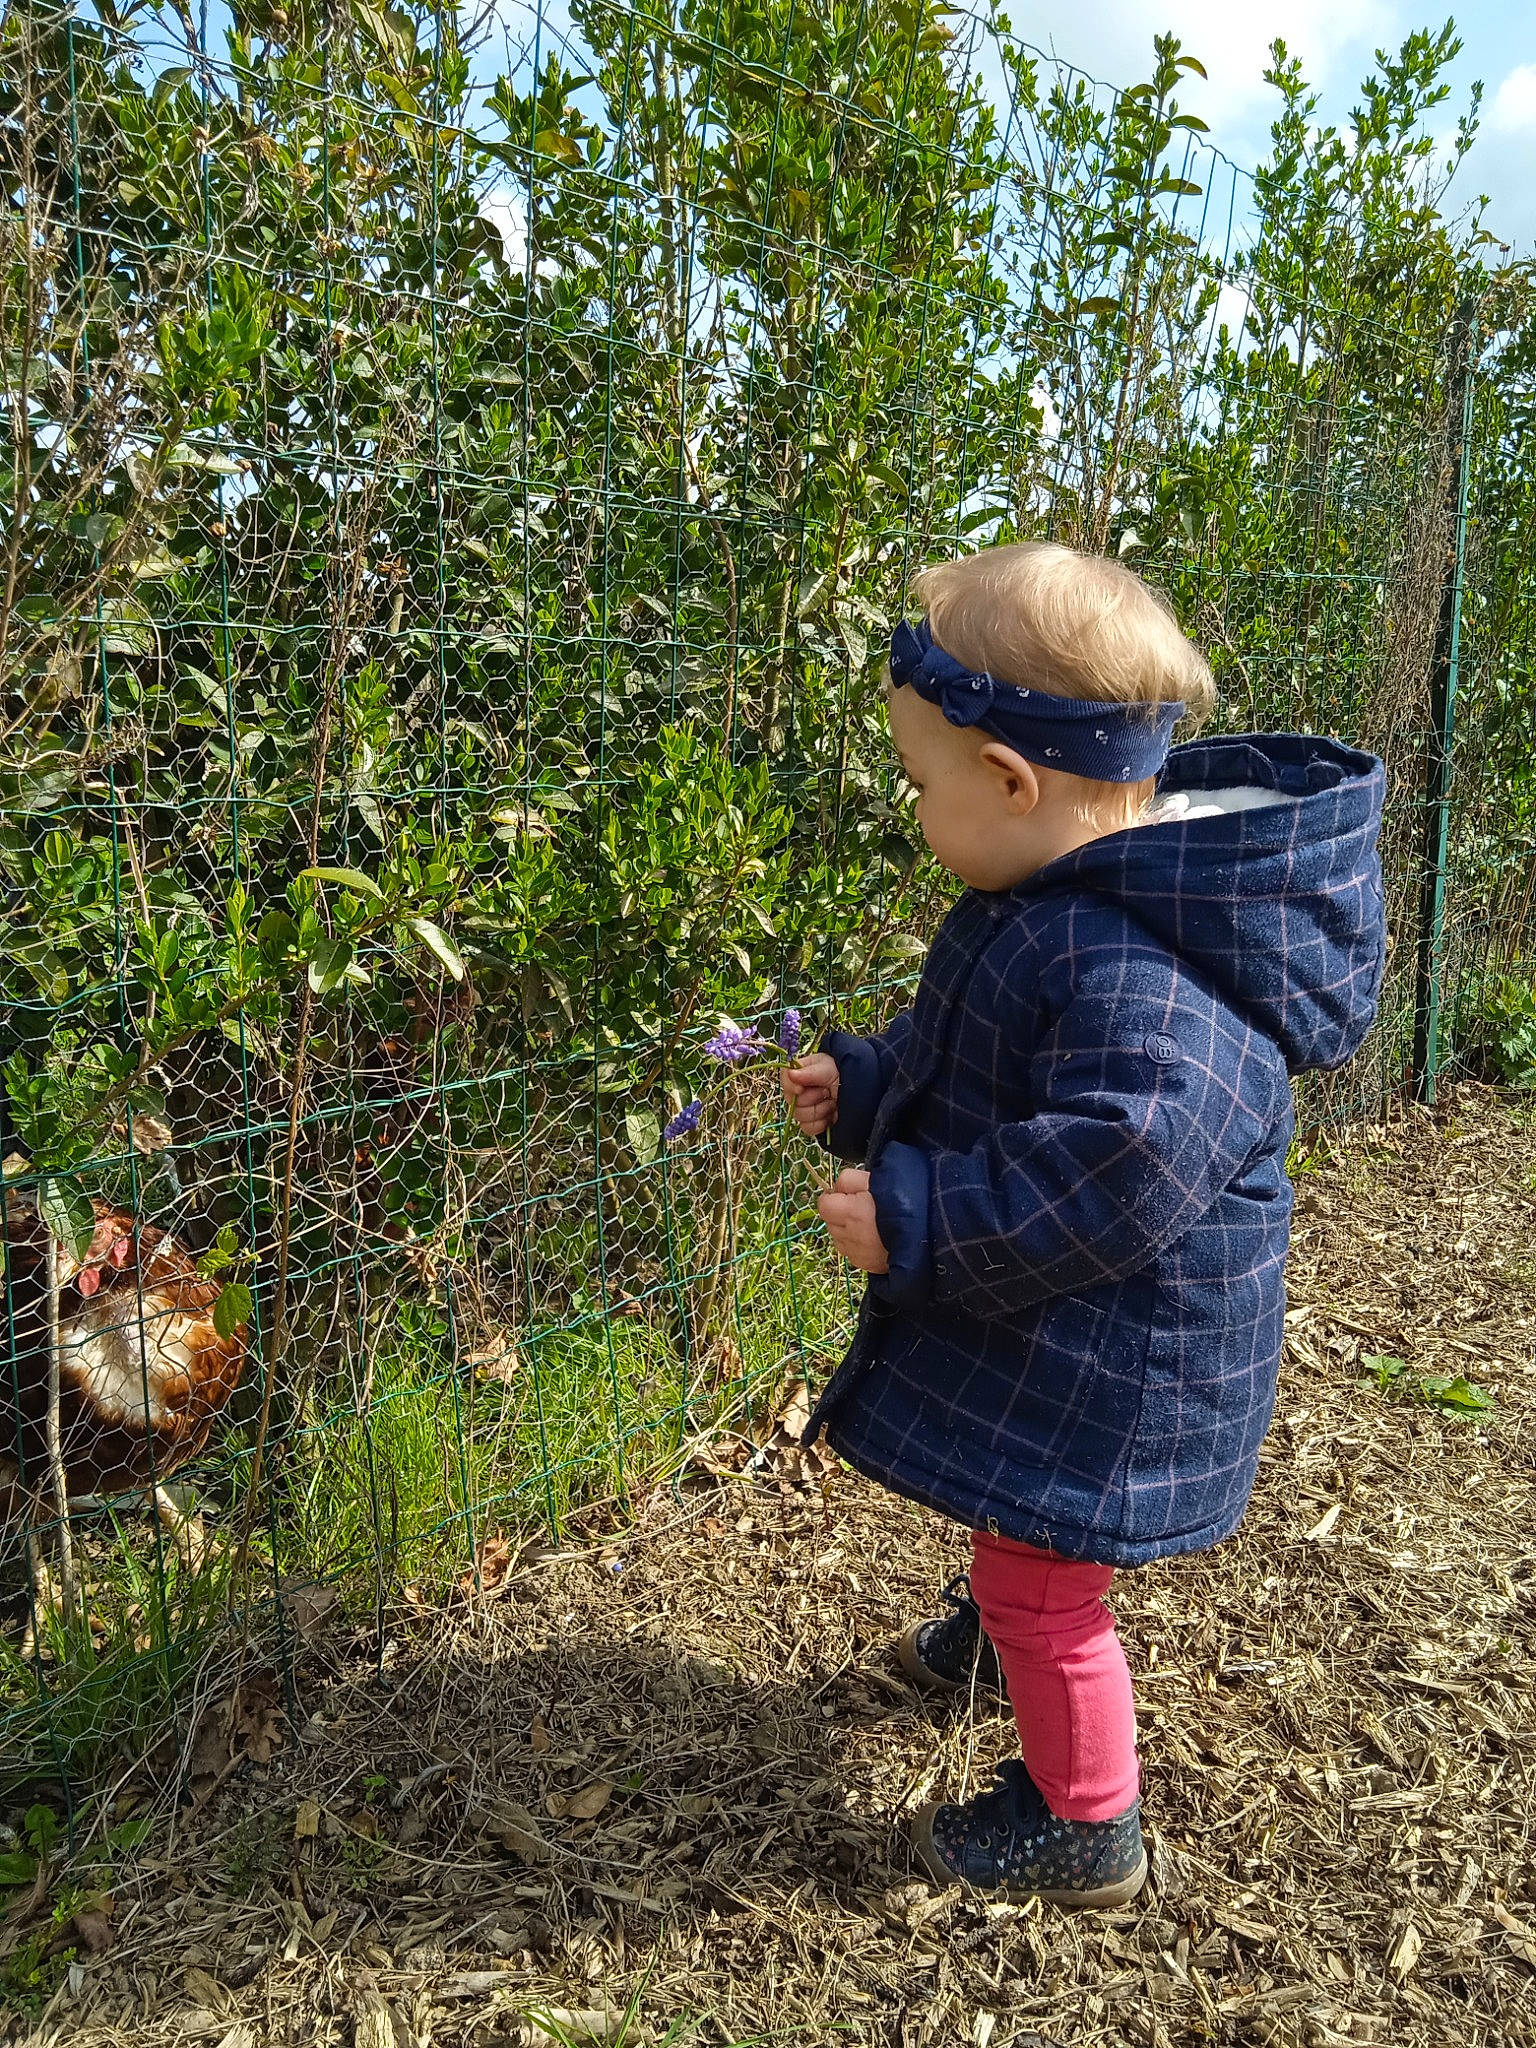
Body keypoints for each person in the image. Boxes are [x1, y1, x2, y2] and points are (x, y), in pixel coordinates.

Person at [782, 541, 1385, 1909]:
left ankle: (1083, 1821)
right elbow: (1000, 1068)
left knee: (1053, 1583)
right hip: (1081, 1332)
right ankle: (1005, 1632)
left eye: (921, 781)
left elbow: (1116, 1165)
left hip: (1124, 1366)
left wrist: (924, 1212)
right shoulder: (1063, 896)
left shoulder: (1142, 969)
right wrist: (873, 1083)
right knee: (1026, 1546)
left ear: (1009, 780)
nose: (912, 805)